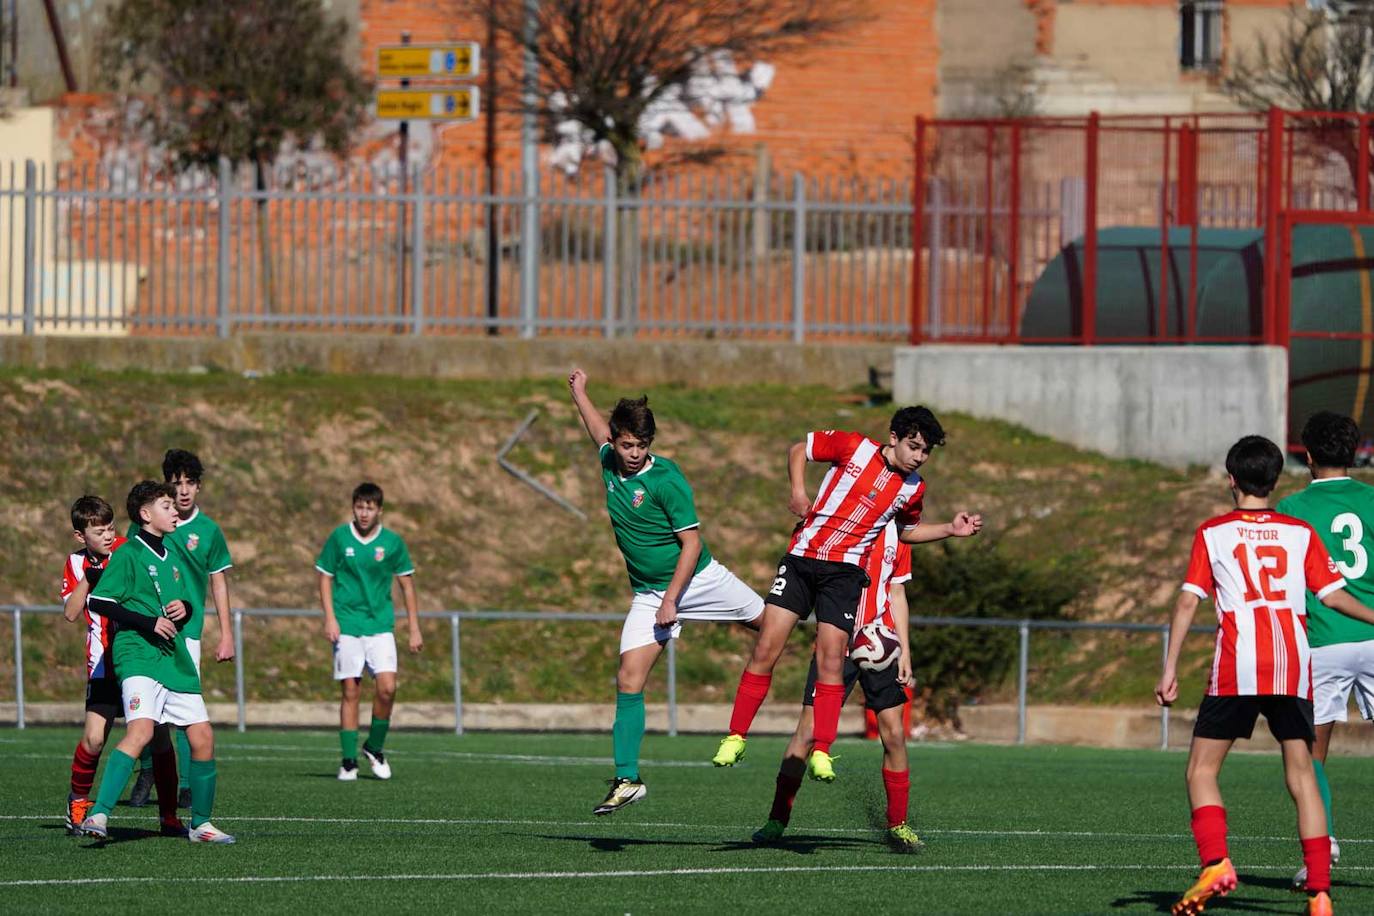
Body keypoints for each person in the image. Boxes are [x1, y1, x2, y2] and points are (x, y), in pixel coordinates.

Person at [1155, 436, 1374, 916]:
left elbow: (1189, 599)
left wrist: (1169, 667)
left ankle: (1216, 862)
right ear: (1275, 481)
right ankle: (1320, 894)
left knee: (1202, 770)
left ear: (1232, 480)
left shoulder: (1213, 532)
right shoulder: (1299, 532)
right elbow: (1334, 597)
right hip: (1293, 666)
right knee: (1303, 777)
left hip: (1239, 665)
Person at [713, 408, 982, 782]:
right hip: (801, 559)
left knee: (830, 659)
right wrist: (798, 492)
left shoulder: (913, 488)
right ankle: (735, 735)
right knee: (766, 647)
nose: (919, 456)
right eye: (914, 446)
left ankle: (822, 749)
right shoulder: (852, 446)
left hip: (844, 573)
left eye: (926, 452)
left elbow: (906, 532)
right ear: (894, 437)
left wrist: (949, 530)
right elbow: (798, 449)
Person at [569, 369, 764, 815]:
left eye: (642, 446)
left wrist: (674, 601)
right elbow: (596, 428)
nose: (634, 454)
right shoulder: (608, 459)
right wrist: (580, 391)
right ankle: (627, 779)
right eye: (626, 445)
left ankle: (836, 655)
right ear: (616, 442)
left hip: (699, 578)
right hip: (650, 594)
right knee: (628, 679)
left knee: (772, 625)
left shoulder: (667, 481)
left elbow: (691, 544)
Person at [752, 520, 923, 851]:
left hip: (881, 645)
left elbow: (897, 592)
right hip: (836, 649)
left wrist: (905, 651)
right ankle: (776, 819)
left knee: (894, 734)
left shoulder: (900, 535)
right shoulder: (836, 529)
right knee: (806, 733)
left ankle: (898, 824)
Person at [80, 481, 233, 843]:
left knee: (203, 737)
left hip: (172, 657)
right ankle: (99, 815)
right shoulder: (129, 553)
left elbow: (179, 605)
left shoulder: (174, 558)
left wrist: (187, 609)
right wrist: (148, 622)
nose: (175, 511)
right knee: (142, 732)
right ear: (146, 515)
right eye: (167, 506)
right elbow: (99, 601)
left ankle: (201, 825)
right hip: (138, 656)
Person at [1277, 412, 1374, 888]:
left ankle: (1325, 844)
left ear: (1308, 456)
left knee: (1311, 753)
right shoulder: (1373, 501)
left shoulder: (1292, 508)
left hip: (1323, 641)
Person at [59, 496, 181, 835]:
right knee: (94, 739)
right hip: (103, 665)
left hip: (139, 658)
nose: (108, 536)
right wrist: (90, 578)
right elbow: (70, 614)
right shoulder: (75, 563)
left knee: (159, 738)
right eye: (99, 532)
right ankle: (79, 801)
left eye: (111, 528)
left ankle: (169, 816)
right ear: (81, 537)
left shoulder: (130, 549)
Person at [129, 449, 235, 808]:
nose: (183, 491)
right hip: (147, 632)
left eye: (190, 483)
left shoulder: (208, 532)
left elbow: (218, 581)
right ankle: (148, 770)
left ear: (199, 487)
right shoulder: (149, 524)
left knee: (189, 712)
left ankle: (187, 785)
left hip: (187, 635)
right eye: (176, 484)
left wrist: (226, 633)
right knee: (149, 713)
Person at [317, 482, 422, 781]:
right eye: (360, 507)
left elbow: (407, 584)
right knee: (351, 690)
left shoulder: (391, 543)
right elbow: (325, 577)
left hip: (380, 626)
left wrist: (414, 628)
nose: (364, 513)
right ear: (353, 507)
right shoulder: (339, 537)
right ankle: (349, 760)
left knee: (388, 688)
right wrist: (330, 618)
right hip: (348, 624)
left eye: (370, 508)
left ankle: (374, 746)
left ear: (379, 511)